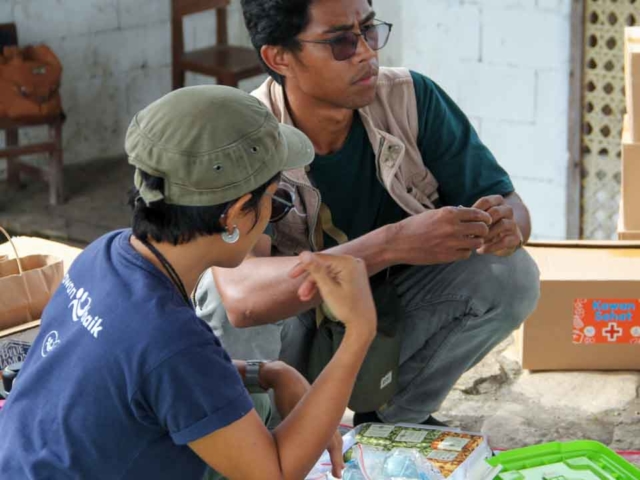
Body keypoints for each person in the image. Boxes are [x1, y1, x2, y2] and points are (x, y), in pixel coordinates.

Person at [0, 86, 378, 480]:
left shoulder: (104, 255)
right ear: (232, 215)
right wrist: (359, 332)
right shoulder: (170, 337)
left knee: (254, 407)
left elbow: (151, 374)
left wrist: (265, 372)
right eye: (274, 199)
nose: (271, 215)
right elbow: (275, 472)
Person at [194, 0, 541, 427]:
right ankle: (259, 437)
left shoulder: (412, 99)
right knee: (218, 288)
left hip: (391, 314)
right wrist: (391, 244)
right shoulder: (247, 138)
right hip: (294, 332)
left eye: (370, 30)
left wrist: (505, 226)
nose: (366, 52)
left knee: (511, 275)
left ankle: (394, 422)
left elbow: (509, 203)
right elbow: (242, 299)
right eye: (341, 41)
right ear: (279, 57)